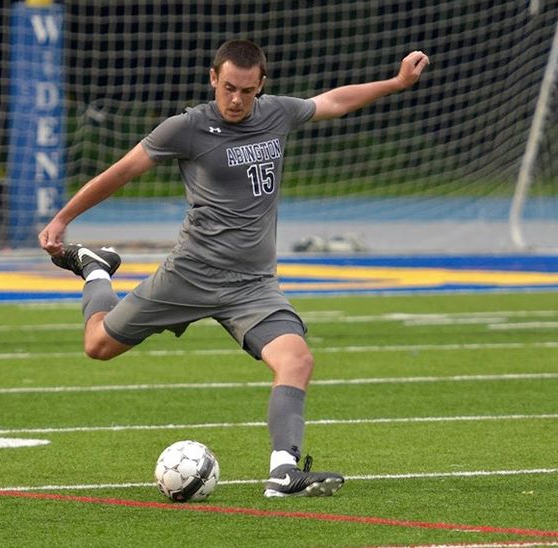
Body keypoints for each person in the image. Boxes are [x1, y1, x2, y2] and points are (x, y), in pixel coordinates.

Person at [39, 39, 429, 497]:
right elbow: (122, 172)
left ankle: (284, 471)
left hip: (253, 286)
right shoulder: (186, 128)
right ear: (213, 80)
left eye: (246, 90)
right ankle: (95, 269)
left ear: (261, 84)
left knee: (297, 359)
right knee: (98, 346)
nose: (237, 99)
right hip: (190, 274)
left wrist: (398, 82)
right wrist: (64, 219)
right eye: (228, 88)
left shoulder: (277, 114)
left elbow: (334, 101)